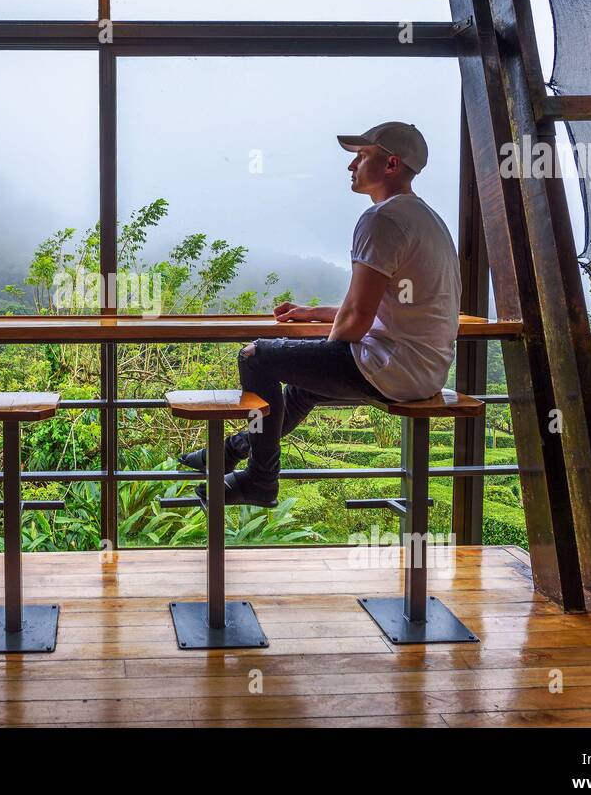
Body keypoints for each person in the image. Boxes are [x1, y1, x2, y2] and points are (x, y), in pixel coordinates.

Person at [181, 121, 462, 508]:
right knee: (302, 388)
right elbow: (381, 306)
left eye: (362, 157)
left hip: (394, 369)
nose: (351, 166)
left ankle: (260, 480)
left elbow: (357, 320)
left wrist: (320, 351)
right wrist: (312, 314)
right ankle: (229, 453)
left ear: (391, 164)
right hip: (426, 369)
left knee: (256, 356)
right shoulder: (427, 219)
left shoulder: (381, 220)